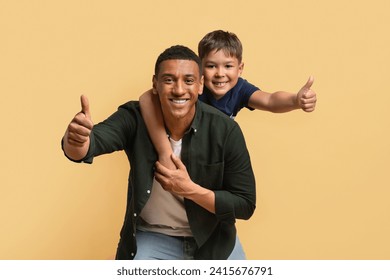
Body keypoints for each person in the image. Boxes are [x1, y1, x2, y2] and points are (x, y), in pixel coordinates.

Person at [62, 45, 256, 260]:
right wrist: (76, 139)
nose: (179, 89)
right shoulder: (134, 118)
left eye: (189, 81)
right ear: (155, 83)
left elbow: (245, 204)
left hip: (214, 240)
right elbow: (89, 145)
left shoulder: (224, 130)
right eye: (169, 80)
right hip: (153, 236)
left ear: (201, 85)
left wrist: (189, 189)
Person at [139, 30, 317, 172]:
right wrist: (165, 152)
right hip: (179, 149)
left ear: (240, 69)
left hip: (209, 159)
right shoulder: (193, 88)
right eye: (211, 66)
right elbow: (147, 98)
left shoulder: (239, 89)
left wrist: (295, 100)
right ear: (199, 69)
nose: (220, 73)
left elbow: (270, 100)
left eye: (228, 66)